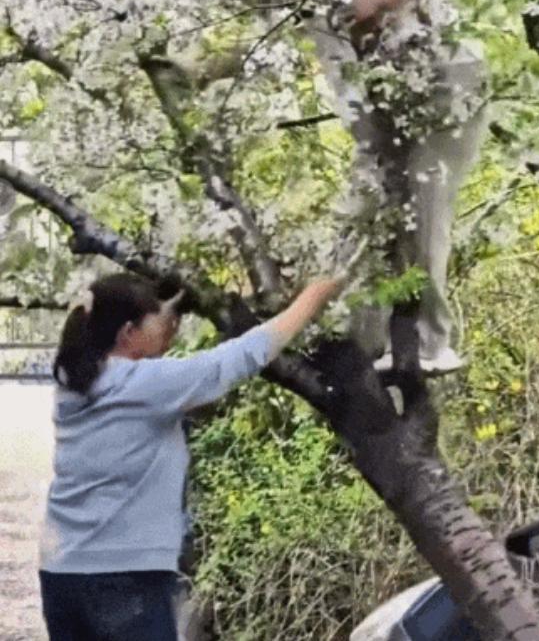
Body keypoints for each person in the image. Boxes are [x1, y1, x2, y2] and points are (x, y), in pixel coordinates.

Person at [37, 271, 344, 641]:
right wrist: (313, 296)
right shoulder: (146, 384)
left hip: (62, 570)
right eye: (160, 322)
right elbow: (241, 356)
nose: (169, 328)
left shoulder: (76, 381)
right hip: (124, 575)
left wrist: (165, 310)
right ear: (128, 334)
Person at [308, 0, 488, 374]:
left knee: (426, 205)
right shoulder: (312, 3)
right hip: (384, 115)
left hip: (449, 89)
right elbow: (346, 86)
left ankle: (431, 343)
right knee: (363, 215)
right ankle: (358, 341)